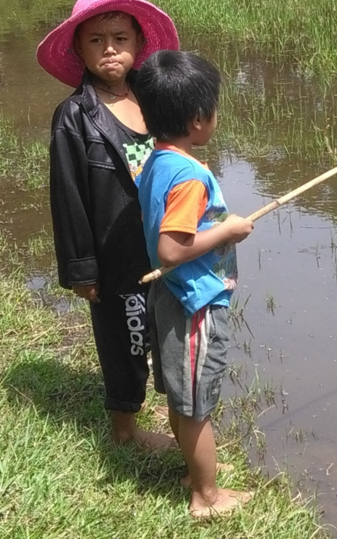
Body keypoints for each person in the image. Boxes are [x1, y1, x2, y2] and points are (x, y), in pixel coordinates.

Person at [37, 0, 180, 451]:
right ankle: (124, 430)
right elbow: (69, 197)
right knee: (124, 337)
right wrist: (81, 269)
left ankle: (175, 410)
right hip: (114, 254)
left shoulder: (154, 98)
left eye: (120, 37)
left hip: (163, 243)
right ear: (78, 49)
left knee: (165, 328)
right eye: (96, 40)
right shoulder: (75, 116)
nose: (110, 49)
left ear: (139, 43)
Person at [135, 50, 255, 519]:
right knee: (197, 404)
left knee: (183, 397)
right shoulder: (188, 177)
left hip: (171, 295)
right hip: (194, 303)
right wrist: (227, 230)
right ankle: (206, 496)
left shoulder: (157, 159)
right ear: (200, 119)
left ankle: (191, 470)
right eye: (215, 110)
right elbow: (170, 248)